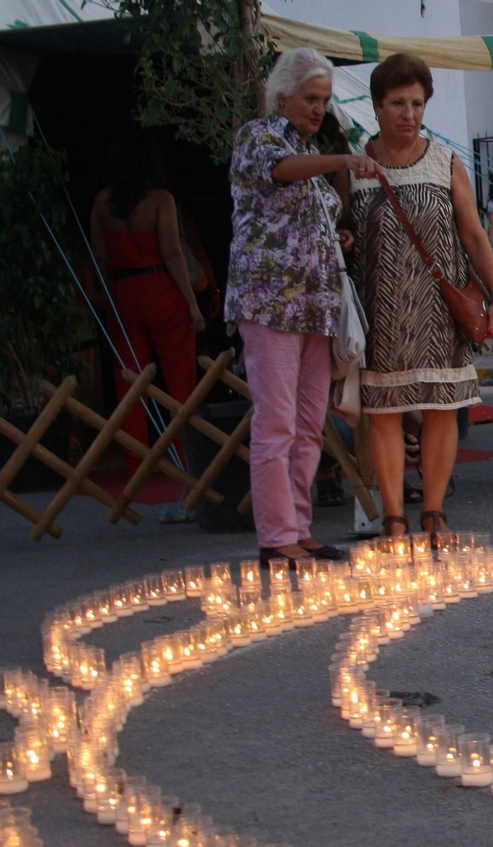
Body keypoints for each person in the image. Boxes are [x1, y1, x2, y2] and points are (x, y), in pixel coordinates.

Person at [225, 46, 376, 566]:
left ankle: (300, 526)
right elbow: (278, 170)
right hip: (270, 304)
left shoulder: (309, 158)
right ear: (283, 96)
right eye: (311, 99)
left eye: (326, 100)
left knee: (311, 422)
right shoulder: (258, 138)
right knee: (276, 422)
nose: (319, 108)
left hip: (315, 305)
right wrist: (343, 159)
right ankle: (276, 536)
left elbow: (300, 211)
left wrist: (338, 239)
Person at [347, 53, 493, 540]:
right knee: (385, 413)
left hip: (441, 310)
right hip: (381, 310)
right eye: (397, 103)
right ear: (376, 106)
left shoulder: (445, 161)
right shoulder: (355, 164)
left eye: (417, 103)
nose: (408, 114)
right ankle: (394, 516)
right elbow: (339, 230)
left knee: (441, 410)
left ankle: (433, 511)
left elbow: (475, 235)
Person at [90, 133, 204, 473]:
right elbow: (171, 252)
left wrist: (106, 297)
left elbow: (99, 258)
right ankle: (188, 458)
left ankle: (133, 459)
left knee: (129, 379)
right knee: (180, 377)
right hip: (161, 288)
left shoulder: (101, 202)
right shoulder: (160, 200)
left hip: (123, 291)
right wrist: (192, 304)